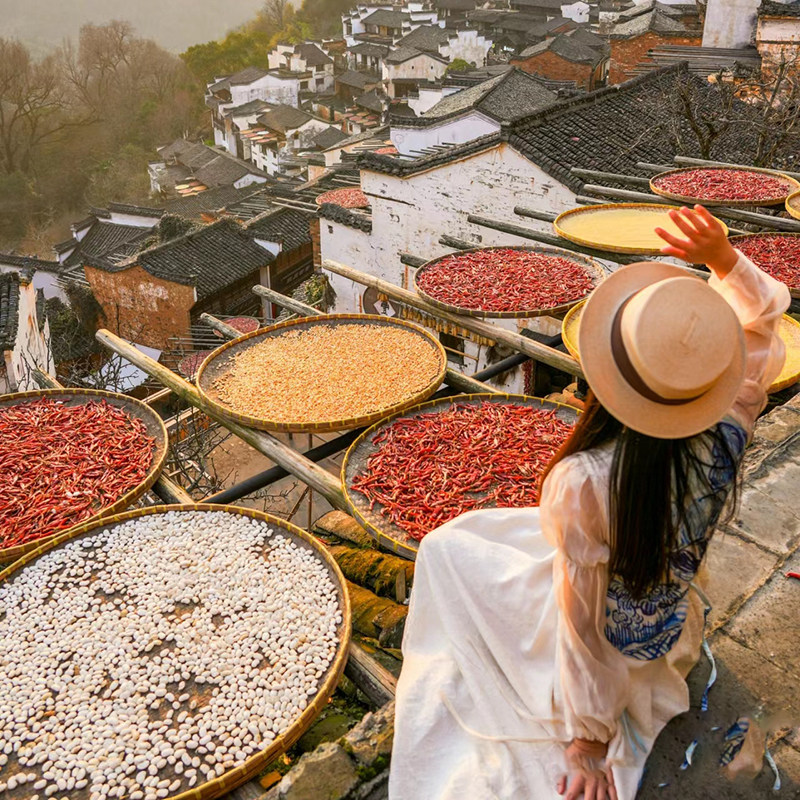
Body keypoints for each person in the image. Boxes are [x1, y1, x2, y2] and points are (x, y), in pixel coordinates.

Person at [388, 206, 790, 800]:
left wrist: (589, 742)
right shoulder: (734, 416)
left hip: (611, 659)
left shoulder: (587, 479)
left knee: (447, 549)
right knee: (490, 543)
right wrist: (724, 259)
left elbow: (581, 626)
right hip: (664, 631)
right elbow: (763, 324)